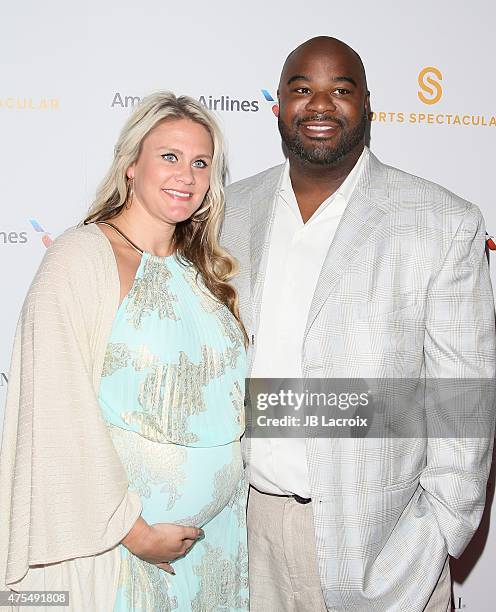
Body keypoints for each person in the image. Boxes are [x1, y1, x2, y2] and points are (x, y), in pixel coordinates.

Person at [222, 36, 496, 611]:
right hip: (247, 534)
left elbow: (465, 400)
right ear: (278, 105)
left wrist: (438, 531)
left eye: (339, 90)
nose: (319, 105)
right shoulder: (227, 211)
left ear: (367, 105)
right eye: (302, 89)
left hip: (387, 545)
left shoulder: (442, 222)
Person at [0, 92, 249, 611]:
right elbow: (54, 407)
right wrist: (130, 530)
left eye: (201, 162)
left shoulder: (205, 272)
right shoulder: (81, 258)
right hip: (119, 554)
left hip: (215, 549)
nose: (186, 174)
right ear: (131, 166)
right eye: (169, 157)